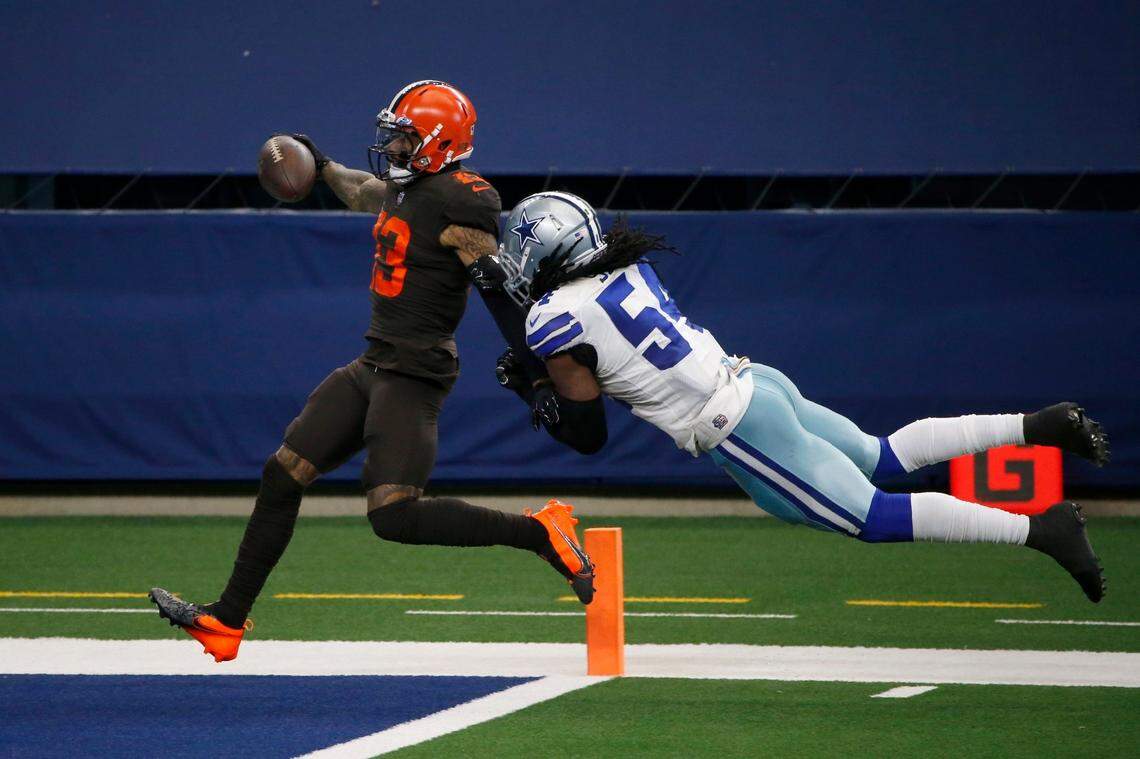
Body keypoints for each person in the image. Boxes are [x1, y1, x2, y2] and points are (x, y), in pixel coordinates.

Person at [149, 82, 593, 663]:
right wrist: (324, 165)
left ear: (437, 142)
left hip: (415, 372)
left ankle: (543, 534)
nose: (392, 145)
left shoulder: (463, 200)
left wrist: (538, 379)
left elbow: (498, 293)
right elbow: (366, 191)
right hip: (374, 362)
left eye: (404, 136)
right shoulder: (410, 188)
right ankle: (226, 621)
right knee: (282, 474)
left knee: (393, 514)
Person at [494, 191, 1109, 604]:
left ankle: (1039, 530)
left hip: (735, 426)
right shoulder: (625, 267)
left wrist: (534, 390)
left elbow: (587, 432)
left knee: (874, 516)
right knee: (883, 456)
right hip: (757, 383)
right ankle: (1036, 424)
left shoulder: (556, 319)